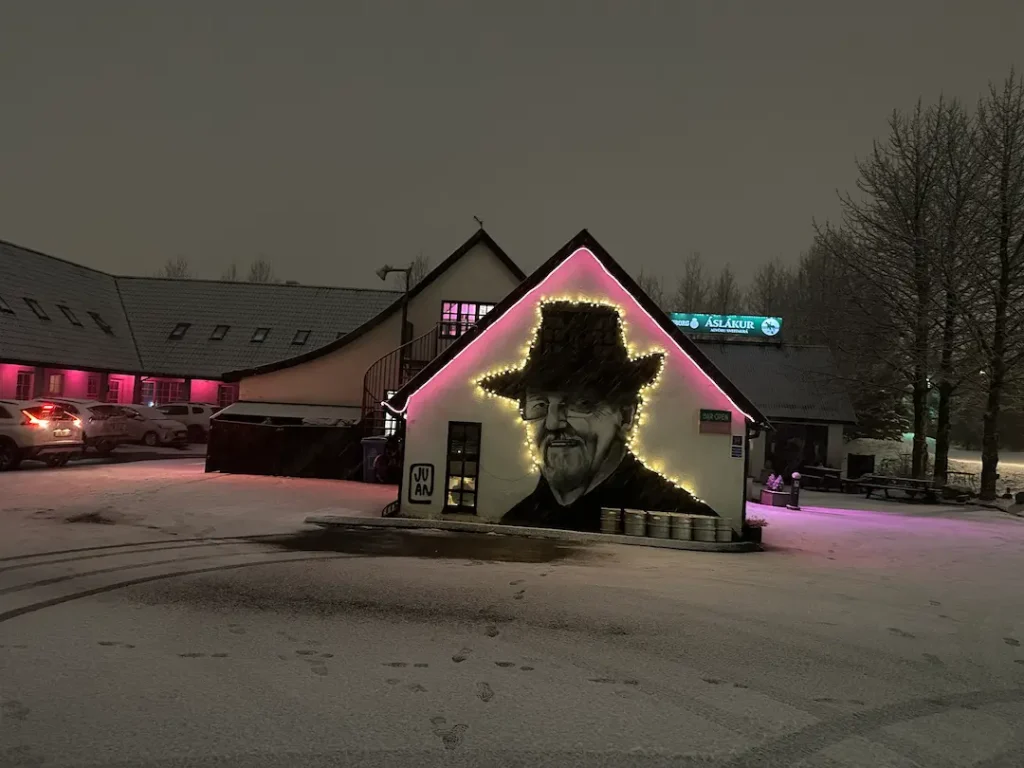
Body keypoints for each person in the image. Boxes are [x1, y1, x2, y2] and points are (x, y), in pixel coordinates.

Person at [477, 302, 716, 532]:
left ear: (626, 415)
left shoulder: (673, 519)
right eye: (540, 405)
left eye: (580, 404)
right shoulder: (519, 521)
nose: (553, 422)